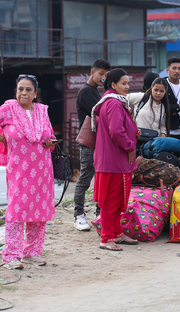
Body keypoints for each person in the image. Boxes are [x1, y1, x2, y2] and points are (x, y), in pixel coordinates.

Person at [0, 75, 57, 269]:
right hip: (19, 170)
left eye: (28, 89)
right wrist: (3, 139)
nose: (24, 93)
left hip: (43, 170)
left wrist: (50, 142)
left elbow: (51, 137)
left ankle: (32, 252)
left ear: (35, 93)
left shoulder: (42, 111)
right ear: (16, 91)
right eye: (20, 89)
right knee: (16, 211)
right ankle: (11, 256)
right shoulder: (8, 109)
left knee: (39, 212)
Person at [93, 68, 141, 251]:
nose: (127, 87)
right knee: (111, 201)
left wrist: (133, 132)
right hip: (113, 160)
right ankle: (106, 238)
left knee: (119, 199)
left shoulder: (116, 102)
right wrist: (130, 144)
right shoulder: (113, 103)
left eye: (128, 83)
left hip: (117, 160)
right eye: (124, 83)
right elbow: (115, 132)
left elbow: (120, 128)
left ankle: (116, 233)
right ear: (113, 85)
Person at [74, 59, 110, 231]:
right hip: (89, 142)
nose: (103, 77)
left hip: (99, 142)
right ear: (92, 72)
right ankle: (79, 215)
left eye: (106, 75)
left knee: (101, 179)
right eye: (101, 73)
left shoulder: (95, 91)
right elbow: (100, 113)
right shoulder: (86, 92)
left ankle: (98, 214)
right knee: (85, 179)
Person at [165, 57, 180, 142]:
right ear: (167, 70)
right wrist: (179, 106)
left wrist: (173, 109)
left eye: (179, 68)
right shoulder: (162, 85)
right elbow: (162, 108)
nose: (177, 71)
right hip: (167, 130)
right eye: (174, 68)